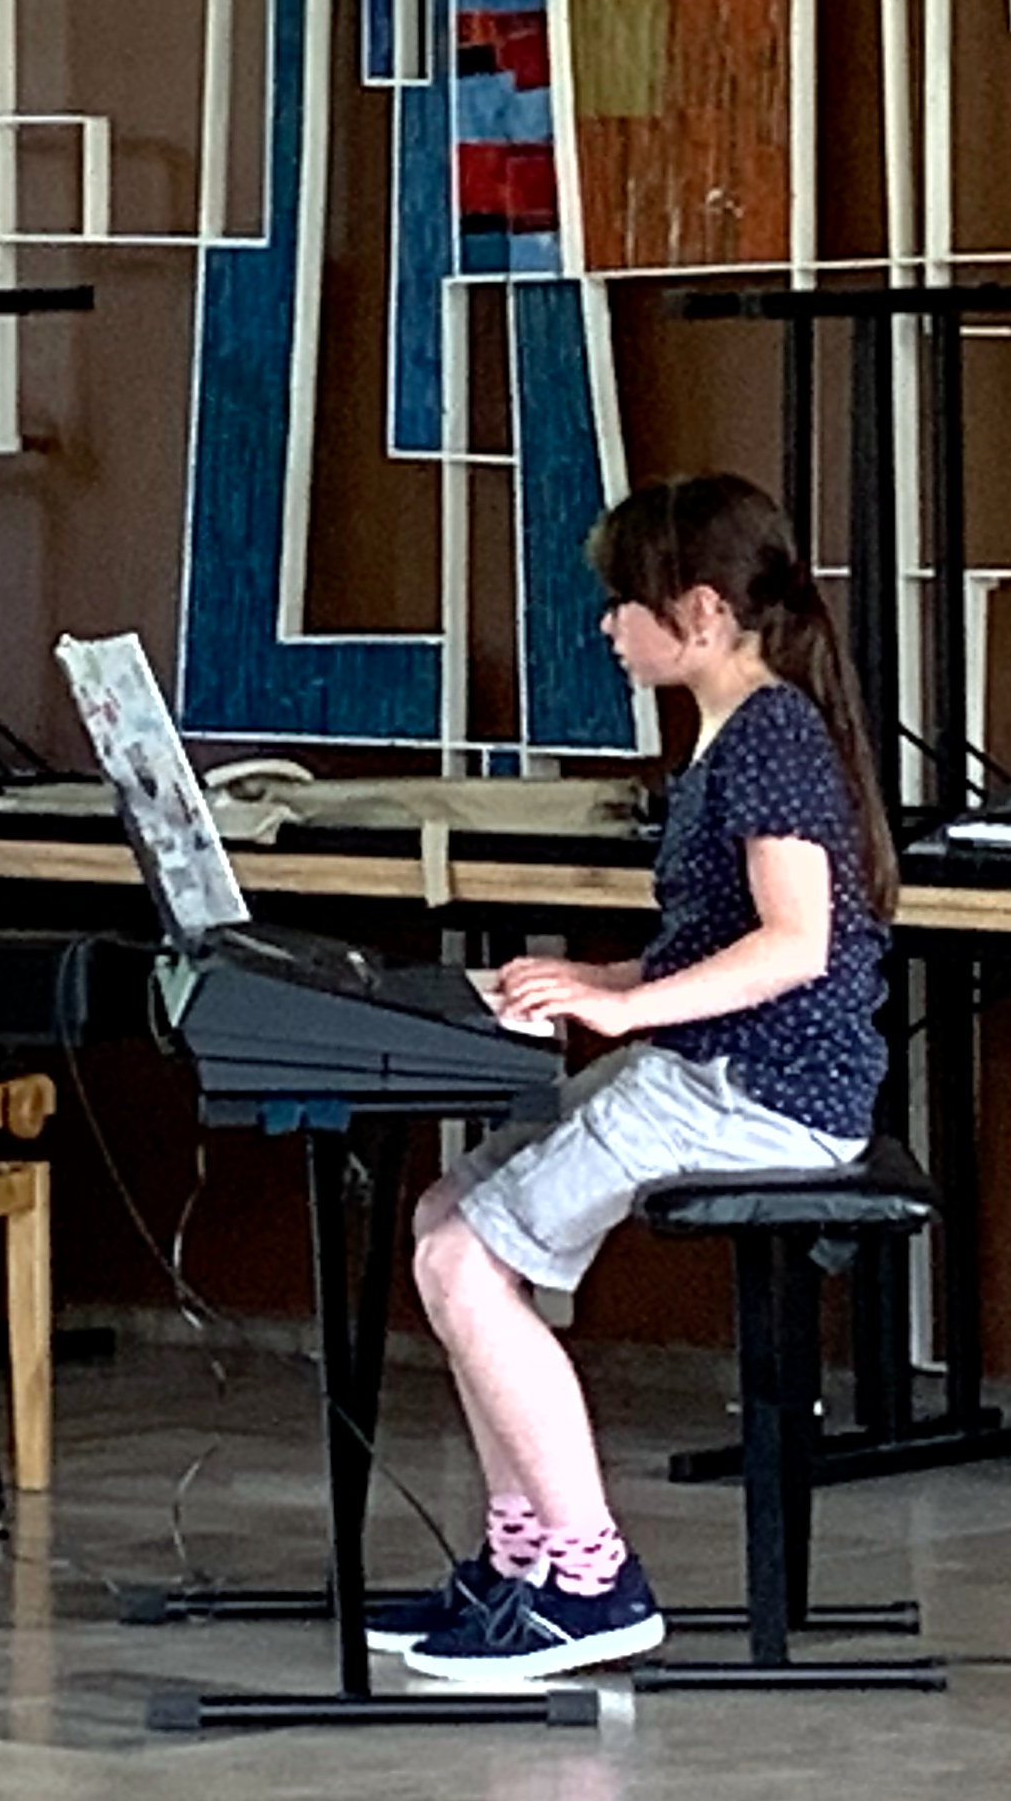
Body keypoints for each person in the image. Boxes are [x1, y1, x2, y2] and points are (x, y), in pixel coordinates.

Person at [366, 472, 899, 1682]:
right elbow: (717, 942)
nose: (608, 626)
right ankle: (524, 1564)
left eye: (623, 603)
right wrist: (584, 974)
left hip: (766, 1095)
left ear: (700, 610)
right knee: (446, 1219)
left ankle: (594, 1579)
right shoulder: (738, 728)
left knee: (461, 1257)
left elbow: (793, 945)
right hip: (718, 1068)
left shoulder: (767, 732)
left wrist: (616, 1006)